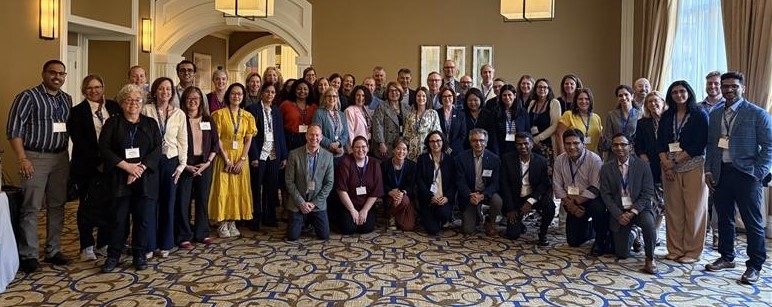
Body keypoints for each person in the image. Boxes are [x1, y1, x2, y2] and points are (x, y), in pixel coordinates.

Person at [704, 72, 772, 285]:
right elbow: (711, 145)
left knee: (753, 223)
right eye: (725, 86)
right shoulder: (715, 114)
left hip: (747, 174)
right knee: (724, 218)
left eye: (733, 86)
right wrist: (708, 171)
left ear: (743, 88)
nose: (728, 90)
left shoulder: (757, 114)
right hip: (721, 173)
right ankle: (727, 257)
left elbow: (769, 146)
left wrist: (758, 172)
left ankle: (754, 265)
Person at [7, 60, 73, 272]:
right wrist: (22, 158)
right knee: (31, 207)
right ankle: (29, 255)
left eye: (61, 74)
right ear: (43, 73)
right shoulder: (28, 97)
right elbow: (14, 130)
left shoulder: (66, 99)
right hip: (34, 157)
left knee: (57, 205)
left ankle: (53, 250)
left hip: (61, 158)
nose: (57, 77)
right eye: (53, 73)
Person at [99, 83, 162, 272]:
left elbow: (157, 149)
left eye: (137, 100)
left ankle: (139, 255)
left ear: (142, 103)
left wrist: (139, 168)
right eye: (129, 100)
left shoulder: (150, 124)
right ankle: (113, 255)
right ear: (121, 102)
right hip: (119, 178)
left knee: (143, 219)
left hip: (145, 179)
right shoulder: (113, 123)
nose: (133, 104)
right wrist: (127, 167)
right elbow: (104, 149)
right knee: (119, 219)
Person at [68, 74, 121, 261]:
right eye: (90, 88)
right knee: (87, 207)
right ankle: (86, 245)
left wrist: (111, 161)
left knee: (110, 205)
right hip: (87, 167)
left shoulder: (113, 107)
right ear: (84, 91)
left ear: (103, 87)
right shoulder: (77, 112)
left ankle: (103, 244)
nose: (94, 91)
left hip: (111, 166)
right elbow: (79, 141)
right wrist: (97, 162)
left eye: (97, 87)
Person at [656, 80, 709, 264]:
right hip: (669, 167)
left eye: (682, 91)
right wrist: (666, 162)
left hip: (693, 166)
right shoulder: (666, 116)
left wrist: (675, 161)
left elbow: (699, 143)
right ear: (670, 95)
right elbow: (660, 141)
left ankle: (692, 251)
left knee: (694, 210)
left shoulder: (699, 114)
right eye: (675, 92)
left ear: (689, 92)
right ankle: (675, 249)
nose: (679, 95)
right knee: (673, 210)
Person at [142, 77, 188, 259]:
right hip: (150, 162)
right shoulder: (146, 110)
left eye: (168, 89)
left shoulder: (179, 114)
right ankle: (149, 244)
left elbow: (183, 141)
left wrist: (182, 164)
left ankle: (165, 243)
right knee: (150, 203)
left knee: (169, 203)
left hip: (171, 161)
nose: (165, 92)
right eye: (161, 89)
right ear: (155, 91)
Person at [600, 133, 658, 274]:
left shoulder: (643, 166)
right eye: (616, 145)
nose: (619, 148)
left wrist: (633, 212)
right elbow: (605, 195)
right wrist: (619, 214)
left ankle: (650, 258)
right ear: (612, 148)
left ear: (630, 147)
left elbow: (647, 192)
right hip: (619, 211)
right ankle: (633, 234)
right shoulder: (606, 168)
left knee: (648, 223)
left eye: (623, 144)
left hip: (639, 209)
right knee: (622, 254)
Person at [209, 83, 258, 238]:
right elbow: (217, 139)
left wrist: (242, 159)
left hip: (240, 156)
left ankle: (233, 221)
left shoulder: (247, 116)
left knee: (237, 189)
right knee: (223, 188)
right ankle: (222, 222)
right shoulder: (219, 114)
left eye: (239, 94)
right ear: (228, 95)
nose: (236, 96)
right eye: (233, 94)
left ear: (243, 97)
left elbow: (248, 139)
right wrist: (226, 159)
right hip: (223, 155)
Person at [553, 129, 609, 256]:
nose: (572, 147)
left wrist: (576, 202)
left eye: (576, 143)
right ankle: (592, 229)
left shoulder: (594, 160)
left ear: (583, 143)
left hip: (591, 200)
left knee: (598, 208)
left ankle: (600, 240)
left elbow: (596, 187)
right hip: (571, 202)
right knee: (573, 241)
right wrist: (570, 204)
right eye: (568, 143)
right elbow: (557, 186)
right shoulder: (559, 160)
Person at [176, 86, 218, 247]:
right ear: (184, 101)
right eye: (189, 99)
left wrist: (208, 163)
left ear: (201, 101)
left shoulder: (207, 119)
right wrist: (184, 165)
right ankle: (184, 234)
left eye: (196, 99)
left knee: (202, 199)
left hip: (205, 163)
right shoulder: (179, 118)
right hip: (185, 164)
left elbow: (215, 143)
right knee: (183, 200)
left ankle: (202, 233)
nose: (193, 101)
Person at [246, 82, 288, 231]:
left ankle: (269, 218)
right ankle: (255, 219)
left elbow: (280, 134)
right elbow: (249, 136)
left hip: (274, 155)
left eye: (272, 92)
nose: (270, 94)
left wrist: (284, 156)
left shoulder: (276, 111)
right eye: (267, 92)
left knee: (271, 188)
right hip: (259, 154)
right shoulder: (252, 109)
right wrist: (253, 156)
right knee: (256, 188)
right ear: (262, 93)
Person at [500, 133, 554, 245]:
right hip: (515, 199)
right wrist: (510, 208)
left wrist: (530, 201)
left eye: (526, 143)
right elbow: (504, 184)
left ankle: (543, 232)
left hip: (532, 196)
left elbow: (544, 184)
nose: (523, 147)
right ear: (515, 145)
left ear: (532, 144)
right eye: (519, 144)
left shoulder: (541, 161)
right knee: (513, 235)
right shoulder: (507, 159)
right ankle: (520, 224)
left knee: (550, 206)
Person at [284, 124, 334, 241]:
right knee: (292, 236)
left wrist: (314, 203)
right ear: (306, 136)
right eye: (311, 134)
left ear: (321, 138)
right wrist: (301, 202)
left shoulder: (328, 156)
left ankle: (308, 221)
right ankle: (303, 221)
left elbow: (329, 183)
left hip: (316, 203)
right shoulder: (294, 154)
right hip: (298, 203)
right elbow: (289, 181)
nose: (314, 138)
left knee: (324, 235)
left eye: (317, 135)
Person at [634, 91, 668, 245]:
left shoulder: (670, 121)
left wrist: (668, 162)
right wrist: (645, 161)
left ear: (662, 102)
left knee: (663, 203)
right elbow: (639, 146)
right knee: (649, 201)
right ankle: (643, 232)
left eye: (656, 101)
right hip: (649, 166)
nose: (653, 104)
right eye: (649, 102)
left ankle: (655, 232)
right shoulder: (643, 123)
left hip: (668, 165)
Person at [456, 128, 502, 237]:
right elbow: (460, 181)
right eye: (475, 140)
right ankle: (476, 215)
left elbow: (496, 183)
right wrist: (470, 194)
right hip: (469, 194)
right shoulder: (461, 158)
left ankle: (490, 221)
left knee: (497, 201)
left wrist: (483, 195)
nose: (478, 143)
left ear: (486, 142)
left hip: (486, 193)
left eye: (481, 140)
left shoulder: (494, 159)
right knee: (468, 230)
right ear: (470, 142)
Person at [334, 136, 384, 234]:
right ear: (352, 148)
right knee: (348, 228)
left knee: (366, 228)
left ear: (368, 148)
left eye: (363, 147)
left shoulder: (375, 164)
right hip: (348, 204)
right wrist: (352, 210)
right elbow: (341, 190)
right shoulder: (345, 162)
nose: (360, 150)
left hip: (366, 205)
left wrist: (365, 210)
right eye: (357, 147)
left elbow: (376, 191)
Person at [700, 70, 724, 249]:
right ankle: (701, 233)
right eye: (710, 83)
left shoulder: (728, 106)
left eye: (716, 83)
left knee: (718, 199)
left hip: (720, 158)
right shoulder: (698, 107)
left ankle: (717, 235)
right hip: (699, 158)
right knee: (702, 200)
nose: (713, 86)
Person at [416, 131, 457, 235]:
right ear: (428, 143)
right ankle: (430, 218)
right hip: (429, 200)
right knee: (432, 230)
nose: (435, 144)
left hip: (444, 199)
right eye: (432, 141)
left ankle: (442, 219)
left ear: (443, 142)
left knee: (443, 213)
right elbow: (419, 181)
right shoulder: (423, 159)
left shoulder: (450, 160)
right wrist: (430, 197)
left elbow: (454, 182)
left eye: (438, 141)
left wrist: (447, 197)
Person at [381, 138, 417, 230]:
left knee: (408, 226)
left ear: (407, 151)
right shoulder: (384, 165)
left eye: (404, 149)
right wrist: (390, 192)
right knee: (400, 201)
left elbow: (412, 186)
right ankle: (392, 215)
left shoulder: (412, 166)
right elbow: (381, 184)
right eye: (398, 148)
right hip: (390, 197)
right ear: (393, 150)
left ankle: (392, 214)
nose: (401, 151)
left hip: (406, 197)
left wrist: (403, 193)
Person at [556, 88, 603, 155]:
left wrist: (602, 156)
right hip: (572, 155)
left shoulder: (596, 117)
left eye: (587, 99)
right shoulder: (568, 115)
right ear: (576, 101)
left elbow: (600, 140)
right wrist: (562, 155)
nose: (583, 101)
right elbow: (559, 135)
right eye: (580, 99)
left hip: (592, 157)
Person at [527, 78, 562, 168]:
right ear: (535, 89)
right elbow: (527, 123)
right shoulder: (532, 103)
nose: (542, 89)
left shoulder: (554, 103)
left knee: (547, 173)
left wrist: (538, 138)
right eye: (539, 87)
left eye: (545, 87)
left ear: (549, 90)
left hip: (548, 146)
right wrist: (531, 139)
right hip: (532, 145)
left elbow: (555, 126)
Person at [373, 81, 411, 160]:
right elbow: (377, 125)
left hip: (402, 145)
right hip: (386, 144)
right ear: (387, 93)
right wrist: (381, 143)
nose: (394, 93)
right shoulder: (382, 107)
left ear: (400, 92)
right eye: (391, 91)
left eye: (396, 90)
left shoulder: (407, 107)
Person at [404, 87, 441, 161]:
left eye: (423, 96)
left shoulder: (433, 113)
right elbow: (406, 135)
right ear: (415, 98)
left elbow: (437, 133)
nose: (421, 98)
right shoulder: (410, 115)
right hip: (412, 152)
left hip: (427, 150)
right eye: (418, 96)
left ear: (427, 98)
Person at [600, 85, 639, 156]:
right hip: (615, 152)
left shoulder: (640, 115)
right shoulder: (611, 115)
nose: (623, 98)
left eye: (626, 94)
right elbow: (608, 136)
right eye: (620, 95)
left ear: (632, 96)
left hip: (634, 154)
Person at [280, 79, 317, 151]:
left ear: (309, 91)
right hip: (290, 140)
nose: (302, 91)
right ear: (294, 90)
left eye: (305, 89)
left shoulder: (314, 107)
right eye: (299, 89)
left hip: (309, 140)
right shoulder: (285, 105)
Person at [493, 84, 530, 156]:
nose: (507, 97)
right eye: (504, 95)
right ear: (501, 96)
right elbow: (494, 135)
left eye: (509, 95)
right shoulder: (495, 112)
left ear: (515, 95)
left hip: (519, 147)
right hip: (502, 148)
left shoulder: (522, 112)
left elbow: (527, 131)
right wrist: (496, 153)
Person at [313, 87, 349, 159]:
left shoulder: (342, 114)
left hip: (340, 152)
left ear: (337, 98)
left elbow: (345, 133)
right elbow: (317, 133)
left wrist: (338, 143)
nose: (332, 98)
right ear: (324, 98)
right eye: (329, 96)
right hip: (324, 152)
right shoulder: (319, 113)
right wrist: (330, 144)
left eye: (334, 96)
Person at [462, 88, 497, 153]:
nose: (473, 103)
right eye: (470, 100)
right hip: (466, 149)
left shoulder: (489, 114)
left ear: (481, 100)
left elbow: (493, 136)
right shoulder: (461, 114)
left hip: (486, 149)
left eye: (475, 100)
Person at [436, 86, 467, 157]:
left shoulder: (460, 114)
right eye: (444, 96)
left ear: (453, 97)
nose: (447, 98)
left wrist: (450, 149)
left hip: (457, 152)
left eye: (449, 96)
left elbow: (463, 135)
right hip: (439, 150)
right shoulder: (436, 113)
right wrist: (444, 147)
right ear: (441, 98)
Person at [344, 85, 373, 150]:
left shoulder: (365, 109)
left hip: (365, 147)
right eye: (358, 95)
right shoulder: (349, 111)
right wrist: (352, 151)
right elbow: (349, 134)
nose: (360, 98)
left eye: (363, 95)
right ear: (354, 96)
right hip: (356, 149)